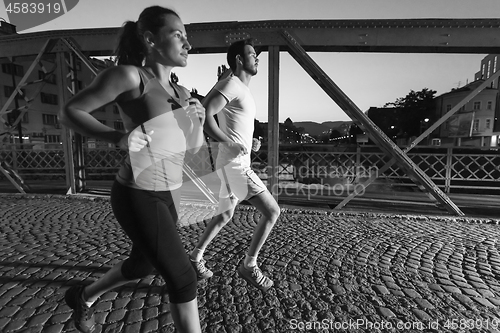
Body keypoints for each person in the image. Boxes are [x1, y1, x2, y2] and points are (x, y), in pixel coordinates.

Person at [58, 6, 204, 333]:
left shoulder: (182, 93)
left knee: (142, 264)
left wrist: (199, 121)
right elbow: (70, 112)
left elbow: (192, 151)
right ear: (151, 39)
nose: (188, 44)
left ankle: (83, 295)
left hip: (170, 193)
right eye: (178, 35)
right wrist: (117, 137)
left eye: (187, 36)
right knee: (183, 278)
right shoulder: (130, 77)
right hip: (138, 194)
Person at [189, 39, 280, 292]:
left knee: (225, 215)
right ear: (239, 60)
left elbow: (230, 124)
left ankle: (195, 258)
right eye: (252, 54)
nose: (257, 58)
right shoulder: (231, 84)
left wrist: (249, 144)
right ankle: (249, 265)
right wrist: (227, 141)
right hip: (235, 166)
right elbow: (204, 114)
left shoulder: (240, 88)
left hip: (232, 162)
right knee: (272, 212)